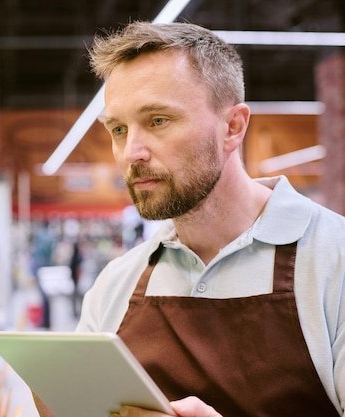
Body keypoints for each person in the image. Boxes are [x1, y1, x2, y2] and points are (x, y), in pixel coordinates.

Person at [36, 21, 345, 417]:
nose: (132, 152)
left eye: (158, 121)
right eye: (117, 129)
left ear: (232, 127)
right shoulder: (116, 284)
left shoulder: (333, 261)